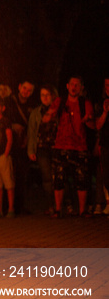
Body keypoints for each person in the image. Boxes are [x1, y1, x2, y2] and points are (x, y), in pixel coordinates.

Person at [44, 75, 95, 217]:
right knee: (58, 179)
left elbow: (93, 125)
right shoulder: (60, 102)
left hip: (80, 146)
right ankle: (58, 209)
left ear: (81, 88)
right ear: (67, 86)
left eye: (77, 85)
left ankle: (82, 210)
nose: (74, 87)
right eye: (72, 84)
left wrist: (88, 120)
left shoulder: (86, 103)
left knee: (82, 180)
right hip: (61, 146)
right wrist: (49, 115)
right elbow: (46, 119)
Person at [6, 80, 37, 214]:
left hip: (23, 145)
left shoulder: (32, 105)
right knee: (9, 176)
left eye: (29, 90)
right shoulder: (9, 102)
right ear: (19, 87)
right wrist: (12, 126)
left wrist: (27, 138)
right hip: (9, 144)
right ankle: (7, 206)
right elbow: (3, 118)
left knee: (22, 176)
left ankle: (19, 206)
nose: (26, 92)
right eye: (24, 88)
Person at [27, 84, 59, 215]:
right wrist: (31, 150)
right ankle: (51, 204)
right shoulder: (36, 112)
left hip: (57, 147)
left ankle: (63, 203)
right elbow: (32, 132)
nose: (45, 98)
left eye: (47, 95)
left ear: (53, 95)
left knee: (59, 176)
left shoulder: (58, 110)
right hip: (42, 148)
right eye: (42, 95)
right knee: (46, 177)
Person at [96, 77, 109, 215]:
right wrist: (105, 112)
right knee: (106, 176)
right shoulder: (102, 104)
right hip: (106, 144)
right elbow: (98, 125)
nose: (108, 88)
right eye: (106, 85)